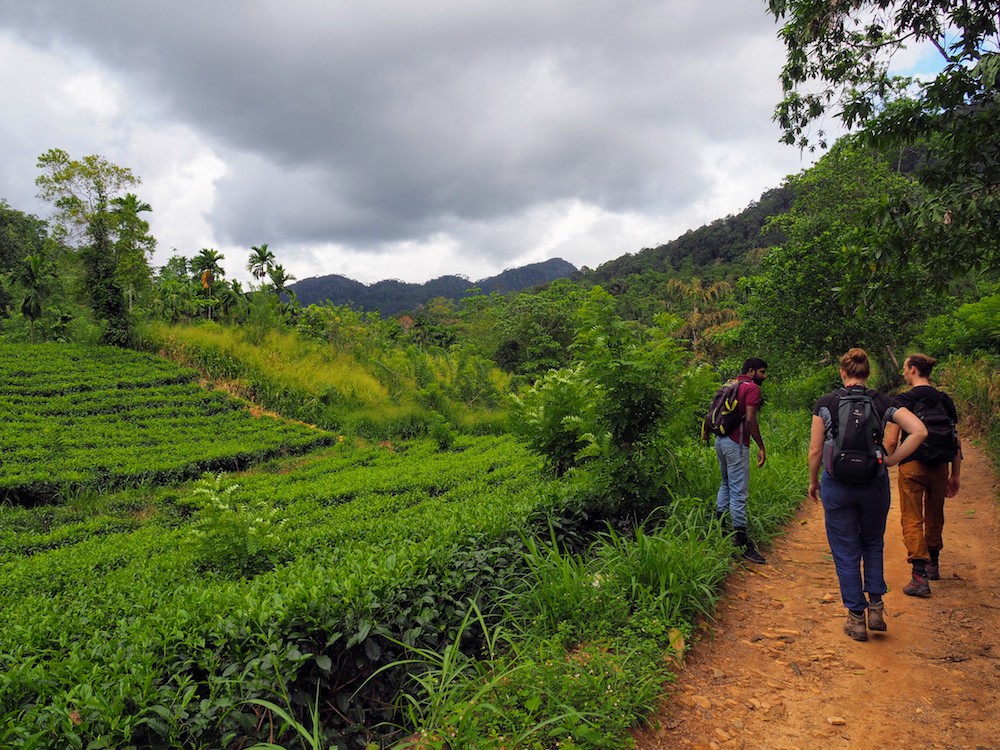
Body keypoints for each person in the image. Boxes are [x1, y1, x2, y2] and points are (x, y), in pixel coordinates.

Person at [808, 348, 927, 642]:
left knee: (846, 551)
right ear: (867, 373)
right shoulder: (881, 401)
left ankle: (856, 619)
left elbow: (815, 450)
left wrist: (814, 482)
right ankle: (876, 608)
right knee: (872, 543)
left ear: (842, 372)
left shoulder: (826, 403)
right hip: (874, 483)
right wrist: (892, 459)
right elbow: (920, 431)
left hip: (838, 485)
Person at [883, 353, 962, 597]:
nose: (903, 373)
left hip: (912, 466)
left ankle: (919, 576)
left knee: (912, 517)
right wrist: (955, 474)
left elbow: (891, 439)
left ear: (914, 369)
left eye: (905, 368)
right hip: (940, 466)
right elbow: (955, 439)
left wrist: (885, 462)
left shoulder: (903, 399)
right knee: (935, 511)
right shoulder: (944, 400)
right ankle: (933, 563)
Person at [714, 357, 768, 564]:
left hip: (720, 441)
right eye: (762, 372)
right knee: (739, 492)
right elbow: (750, 419)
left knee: (726, 483)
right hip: (736, 444)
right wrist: (761, 446)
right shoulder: (752, 388)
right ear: (752, 371)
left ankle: (719, 530)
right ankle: (743, 542)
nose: (764, 376)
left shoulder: (730, 385)